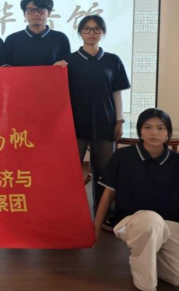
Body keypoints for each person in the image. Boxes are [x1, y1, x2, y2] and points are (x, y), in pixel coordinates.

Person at [94, 108, 179, 291]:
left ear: (168, 133)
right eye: (147, 127)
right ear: (140, 131)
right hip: (131, 222)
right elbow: (107, 195)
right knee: (151, 221)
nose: (154, 133)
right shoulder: (122, 156)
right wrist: (96, 227)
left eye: (160, 128)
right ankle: (146, 284)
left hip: (170, 226)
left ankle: (147, 259)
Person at [55, 15, 130, 213]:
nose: (91, 33)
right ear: (80, 32)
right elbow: (56, 92)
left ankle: (104, 214)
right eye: (87, 29)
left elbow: (116, 92)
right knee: (70, 171)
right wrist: (54, 72)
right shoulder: (68, 61)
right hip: (75, 125)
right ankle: (69, 214)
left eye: (97, 29)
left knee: (105, 172)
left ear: (103, 32)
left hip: (105, 123)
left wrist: (119, 120)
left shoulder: (113, 60)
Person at [4, 0, 70, 66]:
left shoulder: (60, 38)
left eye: (41, 10)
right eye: (31, 10)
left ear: (49, 13)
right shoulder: (12, 40)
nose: (36, 14)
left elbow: (67, 65)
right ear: (24, 14)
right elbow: (6, 68)